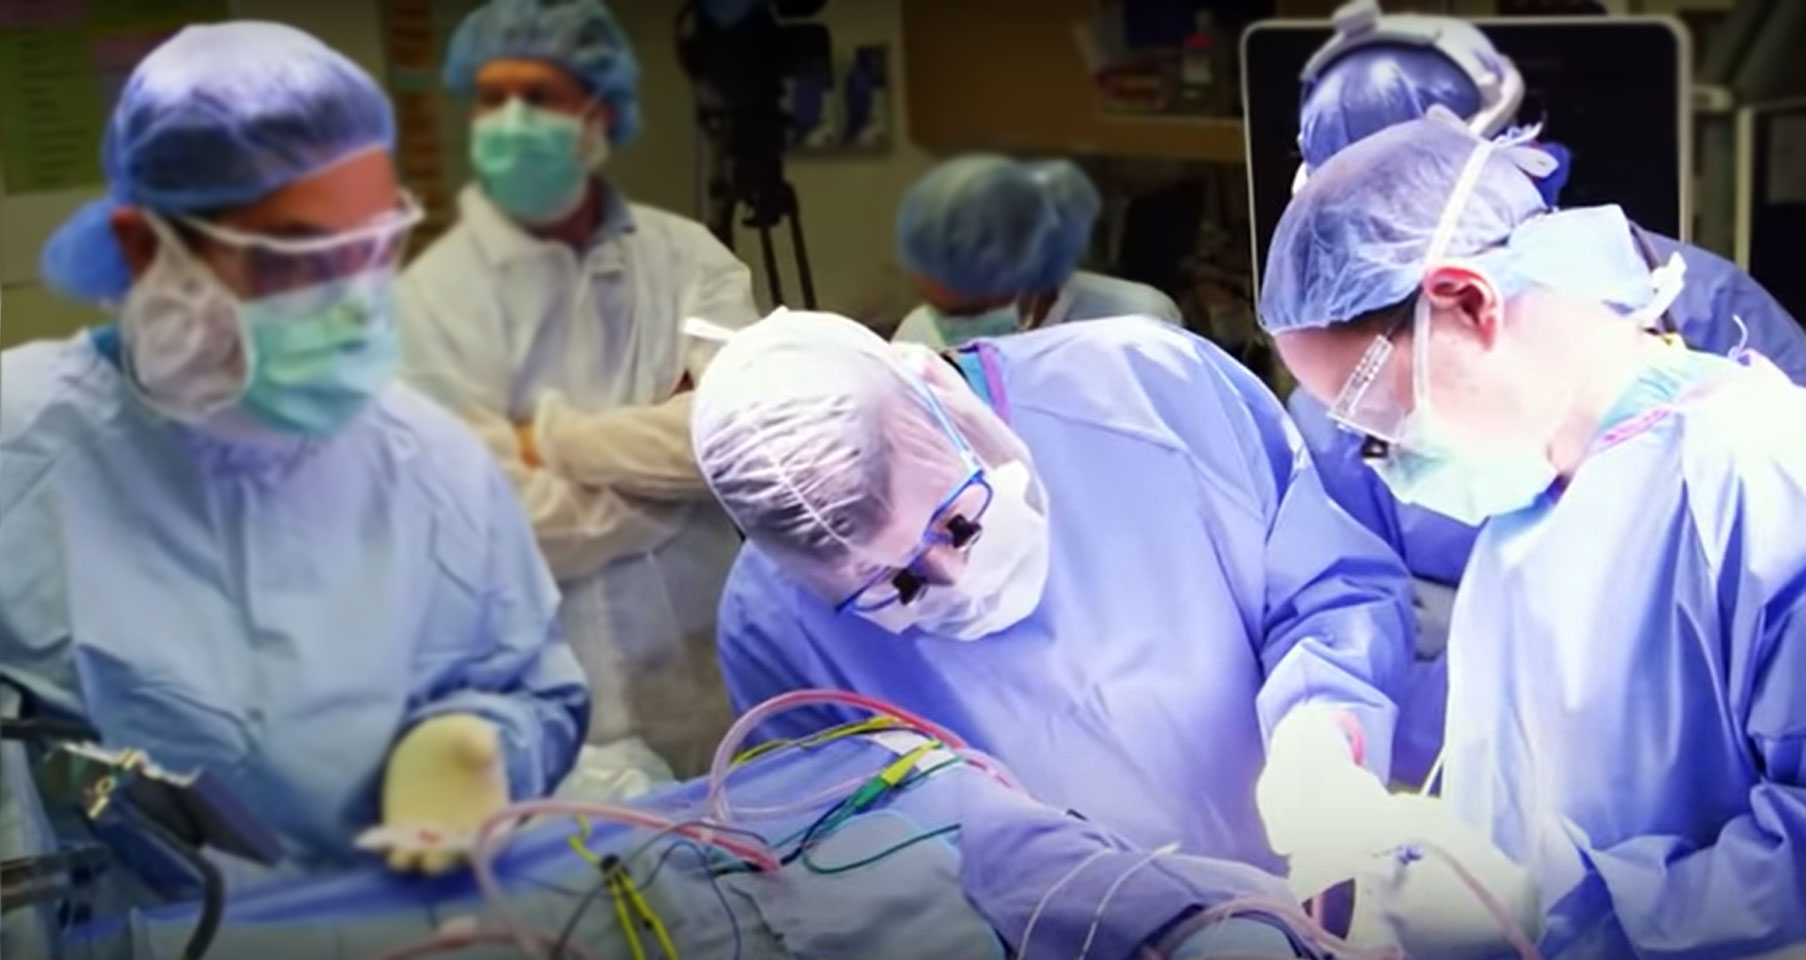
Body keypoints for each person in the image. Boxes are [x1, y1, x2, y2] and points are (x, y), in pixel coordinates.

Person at [1259, 112, 1806, 960]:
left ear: (1467, 301)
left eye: (1378, 415)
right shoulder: (1528, 511)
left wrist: (1548, 918)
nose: (1380, 459)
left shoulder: (1786, 486)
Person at [0, 20, 587, 893]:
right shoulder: (21, 450)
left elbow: (532, 688)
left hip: (409, 921)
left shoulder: (431, 464)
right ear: (143, 244)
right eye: (303, 259)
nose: (354, 304)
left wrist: (474, 743)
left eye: (374, 248)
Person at [1285, 0, 1806, 784]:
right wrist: (1330, 728)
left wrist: (1585, 899)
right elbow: (1330, 588)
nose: (1389, 438)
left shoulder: (1774, 470)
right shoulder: (1357, 370)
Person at [690, 308, 1416, 870]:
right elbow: (849, 869)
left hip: (1313, 892)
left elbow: (1331, 590)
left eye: (958, 524)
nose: (954, 578)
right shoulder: (774, 630)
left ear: (935, 392)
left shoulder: (1150, 388)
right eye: (896, 586)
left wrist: (1325, 728)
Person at [399, 0, 760, 778]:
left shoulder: (686, 261)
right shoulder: (430, 301)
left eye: (547, 96)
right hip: (544, 682)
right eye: (495, 99)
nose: (517, 122)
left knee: (736, 862)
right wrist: (664, 446)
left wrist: (549, 443)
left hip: (705, 661)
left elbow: (744, 433)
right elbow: (499, 515)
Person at [891, 155, 1181, 349]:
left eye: (972, 309)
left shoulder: (1137, 323)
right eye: (938, 308)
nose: (953, 327)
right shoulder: (918, 338)